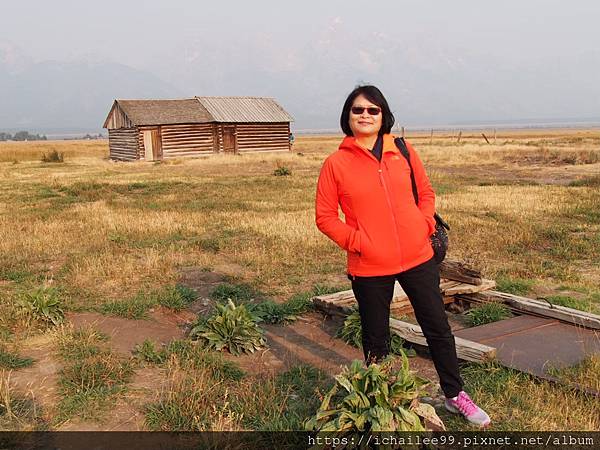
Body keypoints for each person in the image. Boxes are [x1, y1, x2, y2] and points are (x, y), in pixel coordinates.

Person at [315, 85, 491, 428]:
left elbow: (426, 193)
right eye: (357, 110)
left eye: (372, 110)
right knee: (376, 336)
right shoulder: (336, 164)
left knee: (437, 328)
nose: (364, 115)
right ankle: (381, 402)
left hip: (417, 257)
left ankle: (455, 396)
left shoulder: (404, 151)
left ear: (384, 116)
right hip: (369, 265)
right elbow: (324, 217)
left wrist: (424, 224)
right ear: (347, 117)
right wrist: (358, 241)